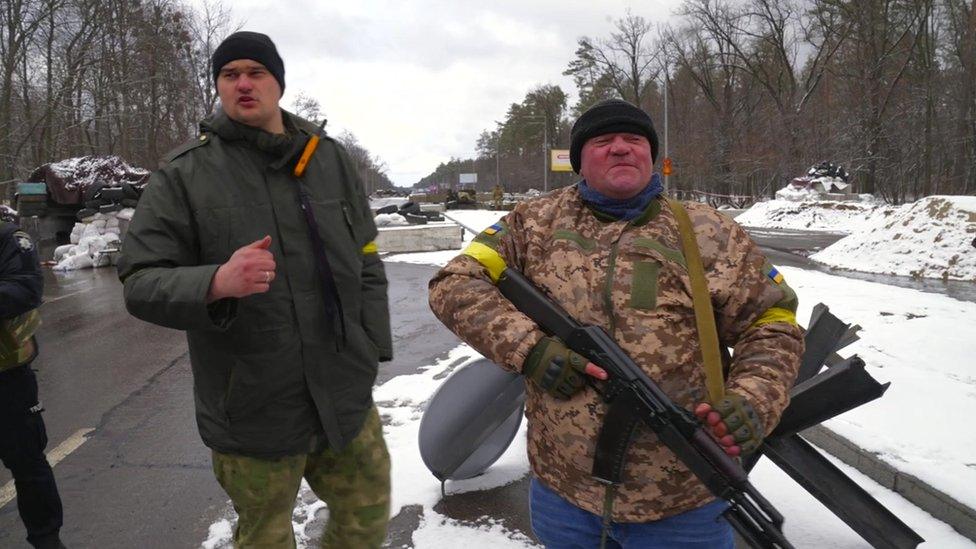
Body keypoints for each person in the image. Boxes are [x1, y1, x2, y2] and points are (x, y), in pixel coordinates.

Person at [428, 99, 803, 548]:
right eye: (604, 141)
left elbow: (772, 321)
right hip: (563, 494)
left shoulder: (712, 232)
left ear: (651, 155)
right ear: (579, 160)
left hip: (682, 500)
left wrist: (754, 399)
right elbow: (453, 283)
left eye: (635, 140)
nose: (621, 149)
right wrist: (529, 349)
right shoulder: (532, 224)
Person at [118, 31, 392, 548]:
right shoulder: (184, 175)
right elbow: (139, 282)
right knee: (265, 538)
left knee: (366, 516)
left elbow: (366, 258)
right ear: (218, 87)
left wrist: (370, 347)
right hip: (251, 407)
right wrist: (216, 281)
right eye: (229, 74)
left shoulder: (329, 160)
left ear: (278, 84)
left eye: (256, 72)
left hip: (343, 392)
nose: (243, 83)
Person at [1, 219, 66, 549]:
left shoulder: (9, 239)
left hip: (6, 379)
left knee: (28, 464)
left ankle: (47, 541)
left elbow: (25, 288)